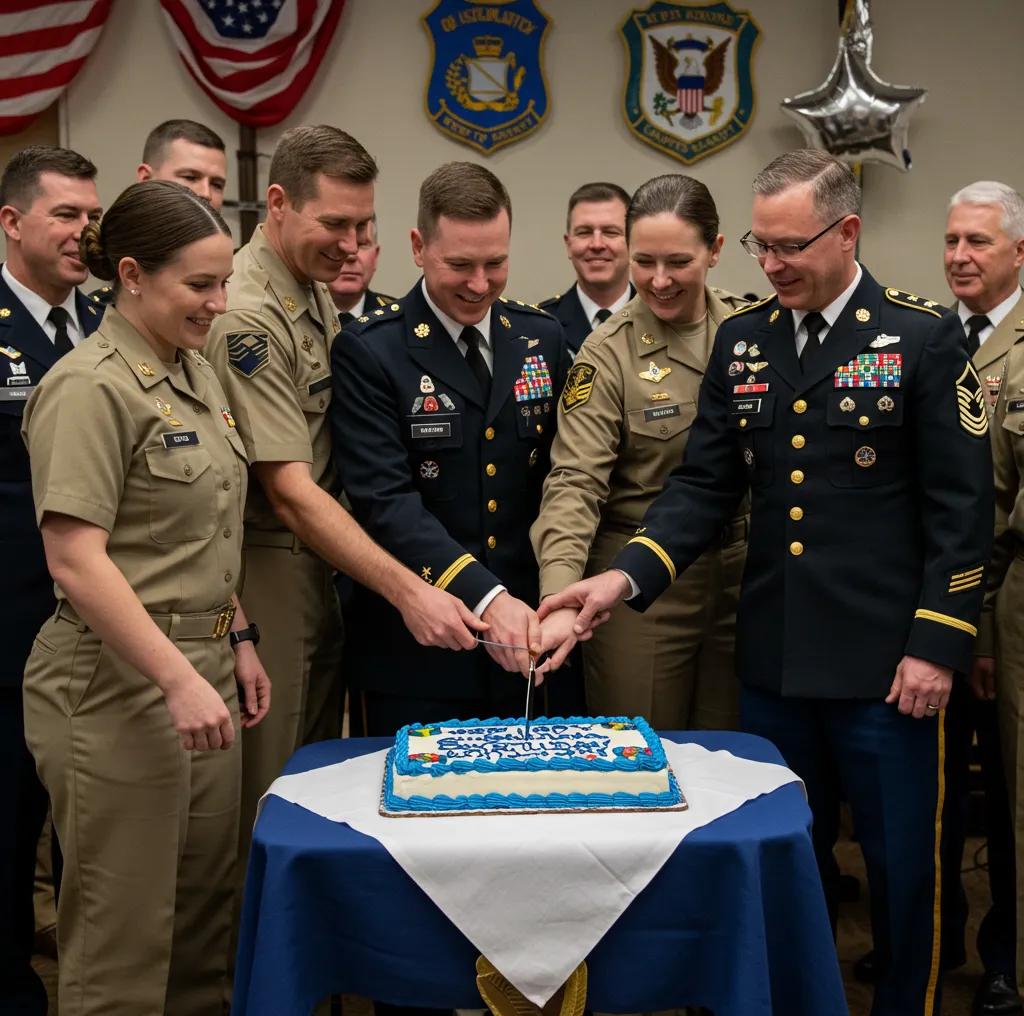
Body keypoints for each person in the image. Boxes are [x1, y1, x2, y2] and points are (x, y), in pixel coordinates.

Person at [541, 149, 994, 1016]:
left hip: (888, 673)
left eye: (791, 246)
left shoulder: (921, 337)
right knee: (787, 871)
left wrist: (937, 646)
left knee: (905, 879)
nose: (774, 263)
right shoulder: (744, 341)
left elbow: (961, 512)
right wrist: (618, 584)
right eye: (762, 246)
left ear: (847, 233)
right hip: (776, 666)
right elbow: (703, 490)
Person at [203, 127, 487, 880]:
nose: (354, 244)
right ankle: (255, 986)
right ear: (277, 204)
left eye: (364, 226)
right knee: (270, 807)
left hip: (324, 570)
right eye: (335, 224)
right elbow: (291, 492)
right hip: (274, 570)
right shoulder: (249, 315)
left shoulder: (309, 293)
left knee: (314, 791)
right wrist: (407, 589)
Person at [21, 179, 270, 1016]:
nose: (218, 302)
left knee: (203, 931)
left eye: (225, 280)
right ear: (130, 275)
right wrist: (177, 676)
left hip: (201, 671)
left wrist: (235, 637)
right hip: (116, 685)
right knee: (125, 945)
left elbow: (201, 530)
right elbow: (77, 560)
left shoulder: (194, 372)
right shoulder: (89, 385)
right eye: (199, 284)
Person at [331, 160, 573, 738]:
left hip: (530, 640)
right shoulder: (372, 351)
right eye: (459, 265)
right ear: (418, 247)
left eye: (496, 263)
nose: (480, 284)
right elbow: (384, 499)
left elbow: (566, 479)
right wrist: (485, 597)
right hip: (417, 651)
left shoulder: (541, 338)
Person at [531, 173, 747, 728]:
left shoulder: (752, 332)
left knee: (735, 760)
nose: (659, 280)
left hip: (744, 576)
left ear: (715, 250)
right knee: (643, 753)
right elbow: (573, 484)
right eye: (644, 262)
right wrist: (560, 598)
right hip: (638, 587)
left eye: (677, 261)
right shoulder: (606, 354)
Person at [0, 145, 103, 1016]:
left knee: (86, 838)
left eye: (90, 216)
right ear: (13, 221)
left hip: (94, 632)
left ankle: (92, 989)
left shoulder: (108, 319)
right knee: (6, 831)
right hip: (6, 627)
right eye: (65, 214)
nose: (83, 232)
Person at [966, 183, 1024, 1016]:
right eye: (951, 240)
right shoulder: (942, 339)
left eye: (978, 240)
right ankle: (995, 957)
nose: (959, 255)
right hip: (984, 605)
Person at [89, 119, 228, 307]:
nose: (206, 193)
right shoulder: (100, 310)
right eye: (190, 177)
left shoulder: (237, 288)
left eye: (217, 184)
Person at [538, 182, 634, 355]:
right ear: (568, 245)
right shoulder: (538, 325)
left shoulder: (661, 319)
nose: (597, 244)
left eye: (611, 232)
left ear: (634, 242)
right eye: (584, 232)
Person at [327, 212, 395, 322]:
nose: (351, 256)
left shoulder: (398, 319)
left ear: (376, 256)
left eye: (362, 244)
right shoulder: (298, 317)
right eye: (340, 244)